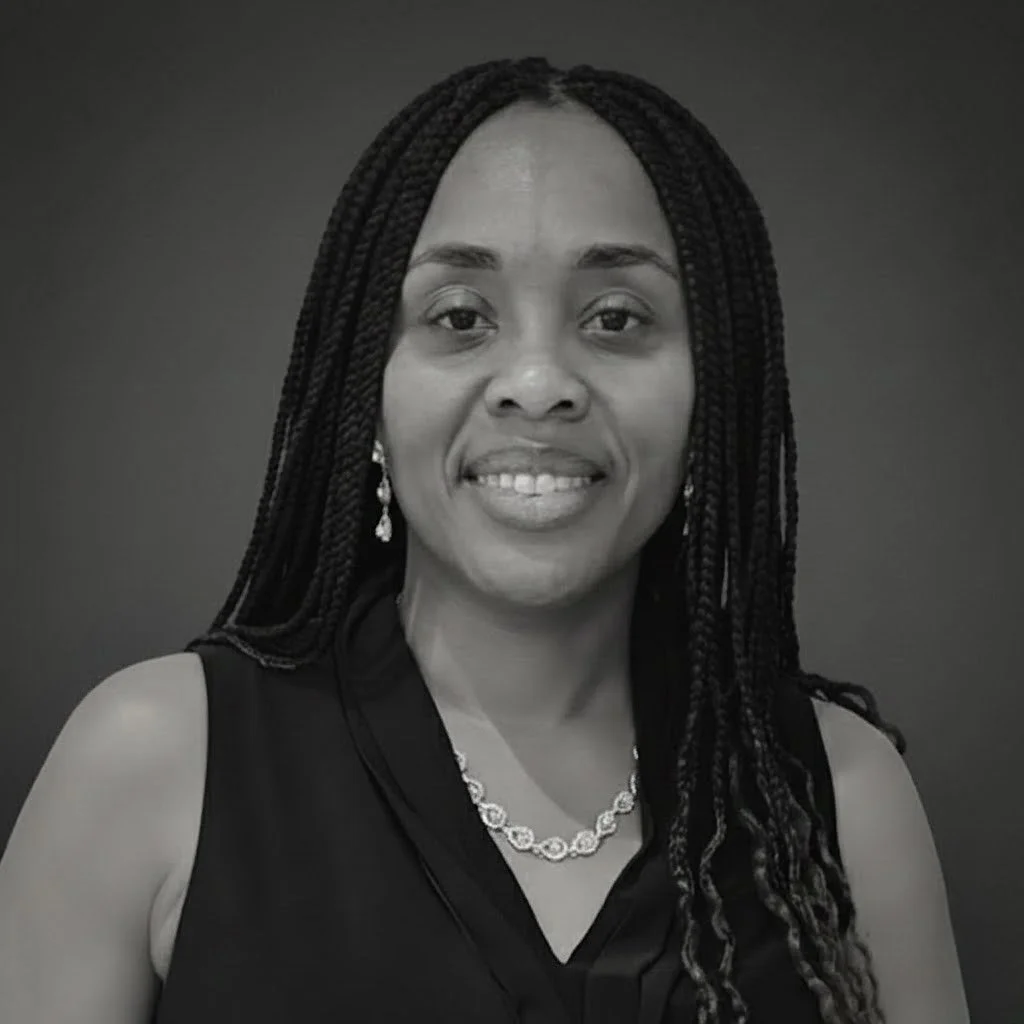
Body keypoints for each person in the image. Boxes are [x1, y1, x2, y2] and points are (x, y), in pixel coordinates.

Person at [0, 57, 969, 1024]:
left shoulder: (837, 797)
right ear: (366, 390)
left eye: (616, 318)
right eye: (460, 317)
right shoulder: (155, 761)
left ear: (714, 389)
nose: (538, 383)